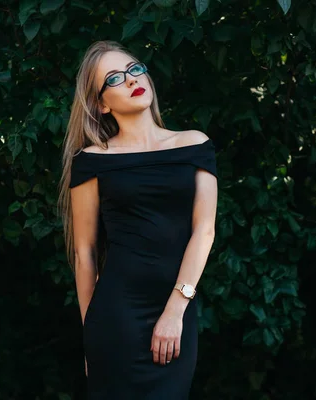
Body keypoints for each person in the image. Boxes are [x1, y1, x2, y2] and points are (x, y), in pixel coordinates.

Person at [57, 40, 218, 399]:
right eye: (114, 78)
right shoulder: (92, 160)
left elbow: (204, 231)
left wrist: (176, 309)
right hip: (116, 318)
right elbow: (84, 253)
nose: (131, 80)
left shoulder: (194, 144)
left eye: (134, 69)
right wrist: (90, 338)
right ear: (100, 103)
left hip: (177, 310)